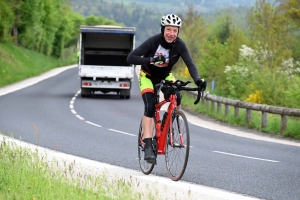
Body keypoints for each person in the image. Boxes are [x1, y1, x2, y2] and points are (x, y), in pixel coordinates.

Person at [126, 13, 206, 163]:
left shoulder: (180, 45)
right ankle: (148, 143)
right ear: (163, 29)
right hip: (147, 76)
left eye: (175, 30)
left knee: (178, 94)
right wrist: (151, 60)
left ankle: (171, 119)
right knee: (150, 106)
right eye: (168, 29)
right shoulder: (153, 41)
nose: (171, 33)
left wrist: (198, 80)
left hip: (165, 75)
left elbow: (190, 64)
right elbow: (130, 57)